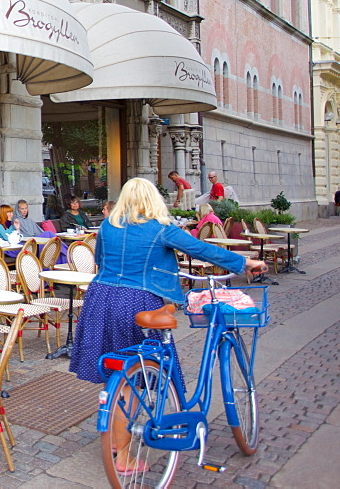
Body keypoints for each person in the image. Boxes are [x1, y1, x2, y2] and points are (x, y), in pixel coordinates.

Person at [69, 178, 265, 474]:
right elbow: (202, 250)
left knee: (117, 375)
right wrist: (243, 263)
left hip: (100, 297)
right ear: (153, 200)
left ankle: (114, 440)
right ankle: (123, 457)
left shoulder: (109, 225)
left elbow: (100, 259)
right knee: (134, 382)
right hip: (136, 300)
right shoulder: (160, 229)